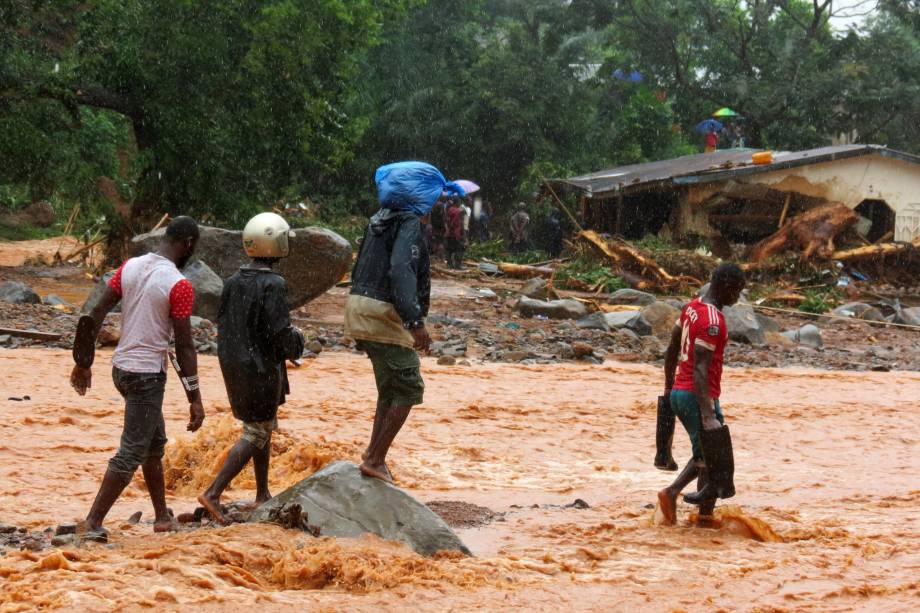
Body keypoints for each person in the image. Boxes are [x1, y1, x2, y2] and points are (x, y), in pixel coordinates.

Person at [70, 216, 204, 541]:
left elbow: (95, 312)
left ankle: (161, 516)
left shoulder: (129, 267)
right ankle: (92, 523)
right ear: (187, 245)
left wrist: (83, 362)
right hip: (146, 376)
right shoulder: (179, 285)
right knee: (131, 451)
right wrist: (195, 398)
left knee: (153, 444)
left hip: (121, 369)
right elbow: (185, 346)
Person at [345, 161, 456, 483]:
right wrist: (415, 321)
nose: (436, 203)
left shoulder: (377, 221)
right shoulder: (408, 223)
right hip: (383, 312)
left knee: (389, 387)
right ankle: (376, 459)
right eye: (434, 196)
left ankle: (371, 455)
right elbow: (400, 271)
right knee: (409, 387)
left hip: (358, 306)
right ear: (419, 195)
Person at [197, 213, 305, 525]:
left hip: (234, 363)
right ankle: (213, 492)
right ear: (277, 243)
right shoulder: (274, 283)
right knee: (257, 429)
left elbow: (226, 324)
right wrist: (297, 341)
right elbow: (278, 330)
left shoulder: (232, 281)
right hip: (260, 367)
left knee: (263, 425)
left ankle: (262, 492)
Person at [657, 262, 746, 527]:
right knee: (711, 455)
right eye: (738, 290)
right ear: (727, 287)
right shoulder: (712, 321)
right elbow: (700, 369)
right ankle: (672, 493)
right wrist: (708, 414)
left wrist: (668, 387)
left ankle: (704, 518)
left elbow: (672, 348)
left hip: (680, 393)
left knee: (708, 457)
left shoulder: (692, 308)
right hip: (696, 395)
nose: (738, 297)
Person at [445, 196, 465, 269]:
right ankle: (457, 265)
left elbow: (447, 220)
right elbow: (456, 223)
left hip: (449, 233)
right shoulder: (458, 211)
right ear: (457, 202)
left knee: (450, 249)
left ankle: (449, 264)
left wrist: (449, 228)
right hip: (456, 233)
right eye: (459, 202)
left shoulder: (449, 210)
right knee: (459, 248)